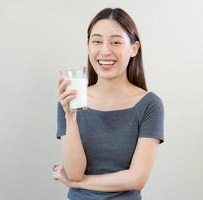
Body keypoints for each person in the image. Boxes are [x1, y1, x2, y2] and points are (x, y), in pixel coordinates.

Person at [53, 7, 164, 200]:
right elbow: (75, 172)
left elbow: (136, 179)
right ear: (88, 46)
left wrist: (76, 183)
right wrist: (70, 117)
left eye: (115, 42)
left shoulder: (149, 105)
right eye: (97, 41)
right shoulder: (70, 100)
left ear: (134, 49)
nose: (105, 50)